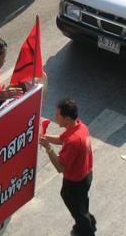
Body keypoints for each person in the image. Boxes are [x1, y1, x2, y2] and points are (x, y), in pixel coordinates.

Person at [40, 98, 96, 236]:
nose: (55, 117)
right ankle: (88, 221)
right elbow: (61, 139)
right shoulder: (80, 127)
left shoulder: (73, 141)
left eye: (58, 115)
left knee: (77, 209)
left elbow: (60, 167)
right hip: (86, 175)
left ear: (67, 119)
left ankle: (86, 230)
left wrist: (48, 148)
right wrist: (45, 137)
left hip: (76, 182)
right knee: (80, 203)